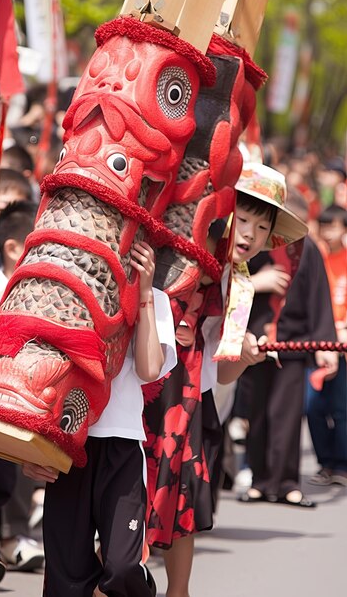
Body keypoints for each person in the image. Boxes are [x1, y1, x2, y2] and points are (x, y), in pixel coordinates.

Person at [143, 163, 308, 597]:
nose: (250, 235)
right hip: (142, 388)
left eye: (262, 227)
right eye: (244, 220)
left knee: (183, 505)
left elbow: (222, 369)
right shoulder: (178, 249)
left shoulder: (242, 288)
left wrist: (248, 357)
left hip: (190, 400)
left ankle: (179, 592)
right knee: (128, 504)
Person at [22, 240, 177, 597]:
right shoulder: (61, 293)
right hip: (66, 446)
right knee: (66, 575)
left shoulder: (155, 300)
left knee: (122, 569)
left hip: (121, 447)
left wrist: (144, 295)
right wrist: (31, 454)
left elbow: (149, 368)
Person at [236, 189, 338, 508]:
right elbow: (234, 281)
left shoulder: (307, 251)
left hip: (293, 341)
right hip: (255, 340)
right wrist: (258, 281)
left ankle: (287, 482)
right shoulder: (253, 248)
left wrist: (325, 344)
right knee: (257, 412)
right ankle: (260, 479)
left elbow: (318, 296)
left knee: (287, 415)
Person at [0, 201, 44, 578]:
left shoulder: (44, 292)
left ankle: (14, 538)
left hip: (19, 401)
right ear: (14, 248)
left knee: (11, 474)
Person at [307, 204, 347, 486]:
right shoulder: (314, 258)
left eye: (335, 226)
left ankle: (342, 465)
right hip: (317, 344)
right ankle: (326, 462)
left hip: (343, 345)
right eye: (325, 226)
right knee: (314, 407)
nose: (329, 232)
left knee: (342, 408)